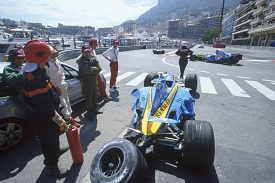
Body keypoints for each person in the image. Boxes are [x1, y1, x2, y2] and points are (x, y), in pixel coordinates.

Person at [22, 40, 69, 178]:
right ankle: (53, 168)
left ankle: (57, 150)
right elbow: (43, 105)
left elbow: (47, 89)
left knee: (53, 138)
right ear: (40, 57)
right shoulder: (33, 78)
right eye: (47, 55)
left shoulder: (39, 70)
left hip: (48, 113)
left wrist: (55, 92)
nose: (49, 57)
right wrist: (57, 118)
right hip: (44, 117)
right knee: (48, 142)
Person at [44, 45, 80, 128]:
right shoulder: (47, 63)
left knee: (67, 100)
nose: (57, 52)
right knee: (62, 103)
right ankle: (68, 119)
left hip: (62, 83)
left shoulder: (57, 61)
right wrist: (54, 87)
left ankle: (70, 116)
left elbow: (61, 71)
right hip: (56, 86)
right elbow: (46, 77)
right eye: (55, 51)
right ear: (50, 53)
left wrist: (63, 80)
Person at [78, 45, 103, 121]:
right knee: (88, 98)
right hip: (87, 81)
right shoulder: (81, 60)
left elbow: (99, 68)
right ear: (82, 52)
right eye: (85, 52)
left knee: (95, 95)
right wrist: (94, 69)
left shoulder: (93, 58)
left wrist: (92, 70)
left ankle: (95, 110)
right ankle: (89, 113)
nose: (87, 53)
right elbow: (86, 69)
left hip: (93, 80)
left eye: (88, 51)